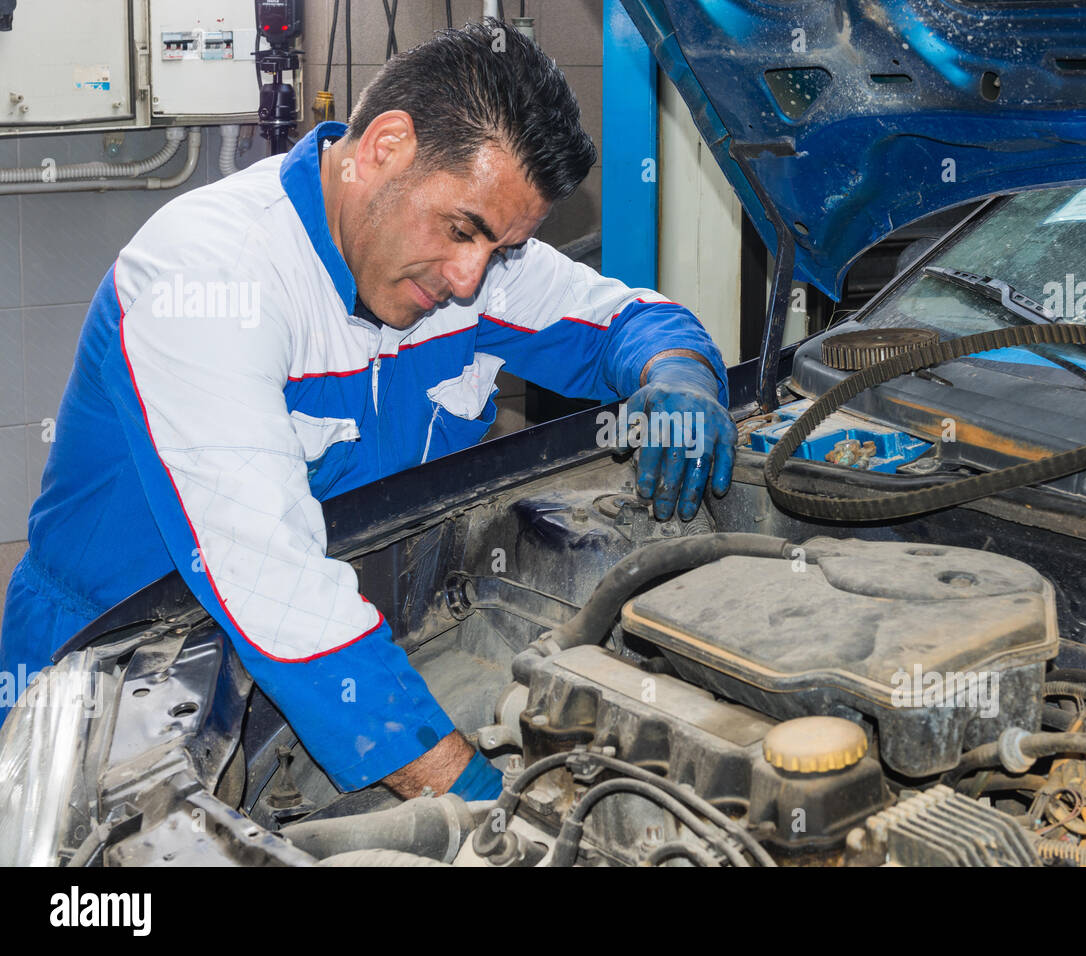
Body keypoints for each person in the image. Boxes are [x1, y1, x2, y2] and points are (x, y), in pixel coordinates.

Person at [0, 21, 736, 801]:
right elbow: (279, 592)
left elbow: (628, 321)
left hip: (357, 645)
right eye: (463, 231)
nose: (468, 279)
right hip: (118, 676)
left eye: (502, 250)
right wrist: (482, 807)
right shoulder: (210, 280)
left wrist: (681, 379)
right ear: (385, 146)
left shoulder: (477, 268)